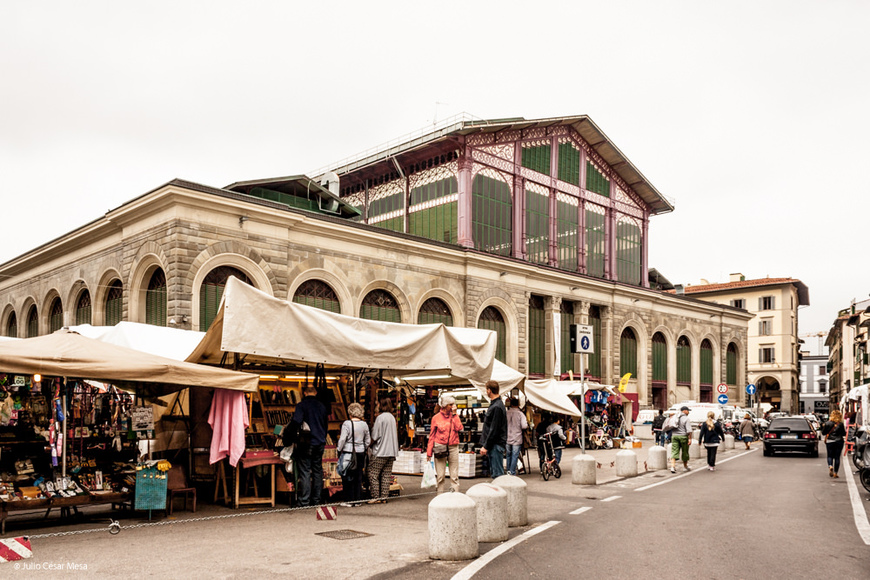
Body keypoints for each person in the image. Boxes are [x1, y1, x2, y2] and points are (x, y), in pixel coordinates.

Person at [290, 384, 329, 507]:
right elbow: (325, 424)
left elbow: (296, 421)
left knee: (305, 471)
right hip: (320, 442)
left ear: (304, 393)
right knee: (317, 470)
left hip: (306, 443)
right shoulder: (322, 406)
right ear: (316, 393)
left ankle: (304, 501)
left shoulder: (301, 406)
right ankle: (316, 500)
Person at [426, 395, 463, 493]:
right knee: (440, 475)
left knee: (454, 475)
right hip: (440, 446)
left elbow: (459, 428)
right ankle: (439, 497)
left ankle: (455, 497)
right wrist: (429, 452)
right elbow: (432, 435)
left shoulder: (454, 416)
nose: (453, 406)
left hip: (453, 446)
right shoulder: (436, 418)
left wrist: (455, 415)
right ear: (445, 405)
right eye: (451, 404)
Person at [337, 402, 371, 506]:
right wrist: (363, 447)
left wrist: (339, 449)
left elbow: (342, 439)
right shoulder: (364, 424)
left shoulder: (347, 424)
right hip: (360, 453)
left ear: (350, 412)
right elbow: (368, 440)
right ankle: (357, 500)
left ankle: (349, 500)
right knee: (358, 476)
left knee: (347, 476)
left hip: (348, 452)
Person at [368, 394, 398, 504]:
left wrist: (369, 444)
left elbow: (375, 435)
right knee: (386, 474)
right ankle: (384, 497)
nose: (376, 406)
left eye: (378, 404)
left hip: (380, 451)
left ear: (381, 405)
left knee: (372, 473)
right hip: (391, 451)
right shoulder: (391, 417)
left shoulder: (380, 418)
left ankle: (375, 496)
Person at [480, 380, 507, 478]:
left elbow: (494, 429)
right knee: (496, 473)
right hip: (495, 445)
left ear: (489, 391)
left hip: (495, 445)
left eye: (486, 389)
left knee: (497, 475)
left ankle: (502, 493)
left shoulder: (497, 407)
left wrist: (486, 446)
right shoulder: (496, 405)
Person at [505, 397, 528, 475]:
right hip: (516, 438)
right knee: (515, 455)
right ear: (518, 404)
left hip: (507, 437)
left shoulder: (506, 413)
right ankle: (512, 471)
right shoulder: (520, 414)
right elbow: (524, 426)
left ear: (511, 404)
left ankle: (508, 470)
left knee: (508, 455)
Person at [822, 409, 847, 478]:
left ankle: (830, 466)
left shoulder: (827, 423)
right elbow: (843, 433)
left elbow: (823, 433)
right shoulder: (840, 424)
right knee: (837, 457)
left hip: (830, 441)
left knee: (829, 455)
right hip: (839, 441)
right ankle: (835, 473)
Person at [669, 406, 693, 474]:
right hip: (683, 436)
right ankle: (685, 467)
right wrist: (690, 438)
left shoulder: (675, 417)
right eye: (688, 410)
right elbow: (689, 430)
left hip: (674, 436)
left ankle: (672, 467)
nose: (688, 412)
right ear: (684, 411)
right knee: (685, 452)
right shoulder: (686, 418)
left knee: (674, 451)